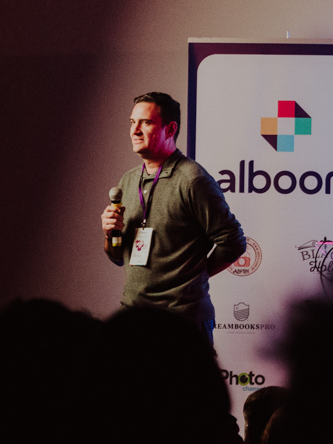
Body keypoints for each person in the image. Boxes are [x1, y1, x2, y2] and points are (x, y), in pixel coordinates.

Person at [100, 92, 246, 341]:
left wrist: (195, 276)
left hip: (182, 321)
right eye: (132, 122)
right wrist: (109, 234)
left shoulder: (193, 180)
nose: (135, 130)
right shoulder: (128, 180)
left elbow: (234, 242)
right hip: (133, 318)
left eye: (146, 122)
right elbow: (118, 257)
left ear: (170, 129)